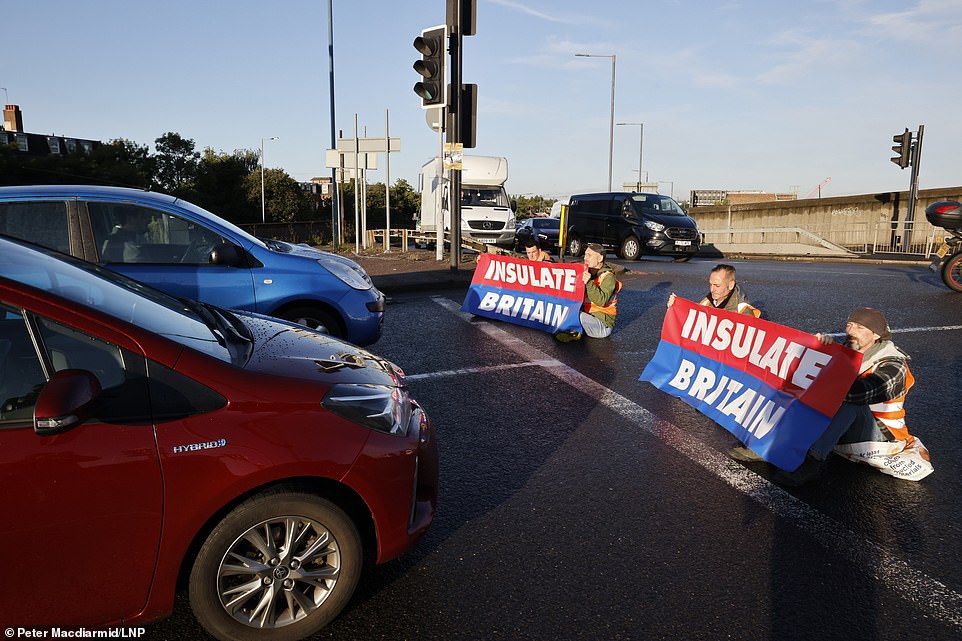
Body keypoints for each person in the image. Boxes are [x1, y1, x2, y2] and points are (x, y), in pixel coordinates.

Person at [774, 307, 932, 485]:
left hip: (881, 435)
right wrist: (819, 350)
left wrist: (828, 365)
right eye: (849, 325)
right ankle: (770, 444)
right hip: (847, 427)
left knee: (850, 401)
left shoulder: (893, 365)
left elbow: (858, 393)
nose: (850, 331)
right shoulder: (848, 351)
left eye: (860, 327)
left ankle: (811, 463)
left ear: (876, 335)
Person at [556, 243, 621, 342]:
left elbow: (601, 301)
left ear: (600, 258)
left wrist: (589, 283)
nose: (585, 258)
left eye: (589, 255)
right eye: (585, 254)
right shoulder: (586, 272)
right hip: (588, 317)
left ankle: (574, 331)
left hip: (602, 325)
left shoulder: (608, 277)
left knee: (573, 314)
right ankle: (574, 330)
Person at [668, 263, 759, 317]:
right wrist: (675, 308)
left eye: (717, 285)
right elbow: (692, 319)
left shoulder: (743, 310)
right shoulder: (707, 301)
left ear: (731, 285)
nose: (712, 289)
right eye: (710, 284)